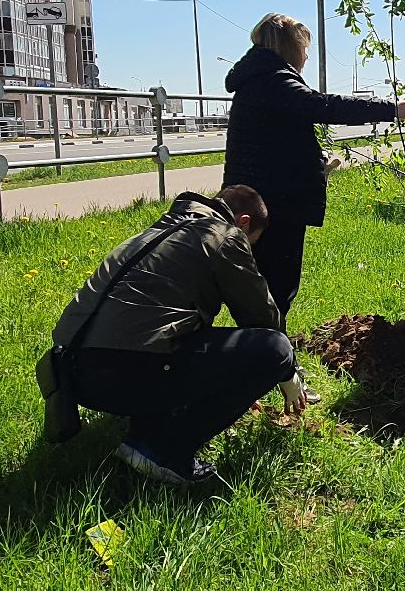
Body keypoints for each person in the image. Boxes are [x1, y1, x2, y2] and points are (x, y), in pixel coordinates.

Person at [43, 186, 295, 486]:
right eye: (253, 241)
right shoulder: (224, 236)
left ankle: (146, 427)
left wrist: (231, 381)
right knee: (275, 350)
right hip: (120, 373)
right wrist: (288, 372)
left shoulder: (165, 228)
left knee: (170, 349)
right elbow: (263, 319)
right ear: (243, 222)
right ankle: (161, 450)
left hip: (71, 373)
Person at [223, 13, 405, 316]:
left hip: (255, 197)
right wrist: (393, 109)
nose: (305, 56)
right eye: (303, 48)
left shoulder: (256, 78)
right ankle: (270, 343)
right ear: (289, 47)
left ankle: (264, 338)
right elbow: (326, 107)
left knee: (260, 284)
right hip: (275, 203)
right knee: (276, 286)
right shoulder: (274, 80)